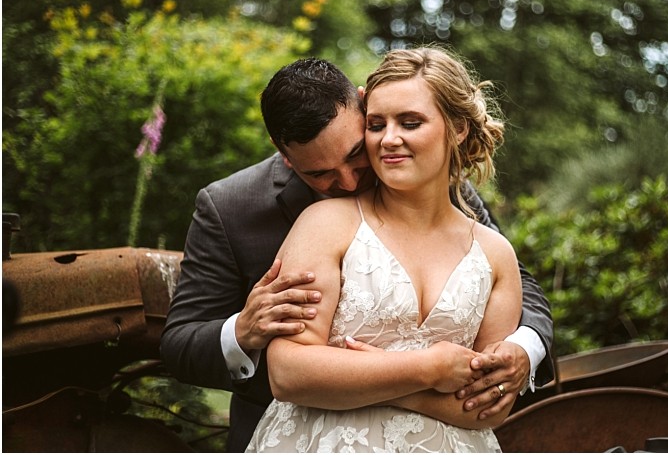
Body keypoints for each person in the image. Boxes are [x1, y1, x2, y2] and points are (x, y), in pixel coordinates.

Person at [160, 54, 554, 452]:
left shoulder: (443, 186)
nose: (348, 182)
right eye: (319, 174)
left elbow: (515, 284)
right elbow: (181, 343)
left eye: (354, 155)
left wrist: (523, 349)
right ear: (285, 155)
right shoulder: (233, 207)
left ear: (362, 105)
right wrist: (241, 332)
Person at [247, 46, 524, 452]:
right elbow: (289, 374)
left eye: (410, 122)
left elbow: (490, 407)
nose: (389, 139)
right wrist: (428, 368)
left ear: (458, 127)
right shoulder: (325, 225)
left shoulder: (496, 254)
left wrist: (377, 382)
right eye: (376, 125)